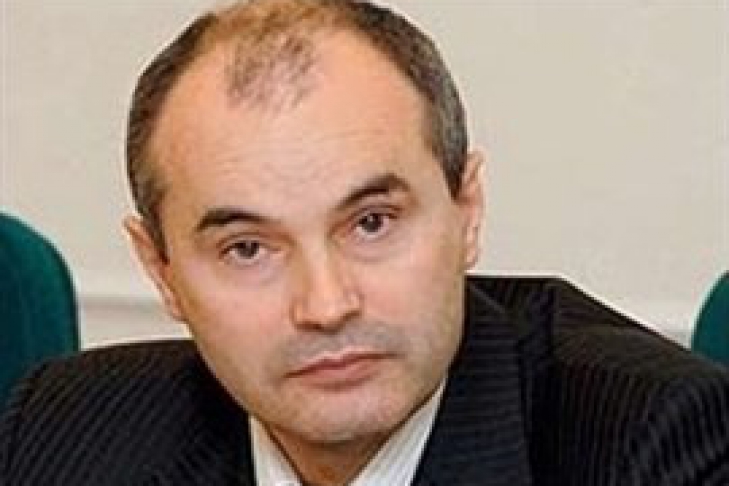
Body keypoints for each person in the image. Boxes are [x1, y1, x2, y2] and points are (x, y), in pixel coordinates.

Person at [1, 1, 727, 484]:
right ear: (159, 271)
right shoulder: (65, 430)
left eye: (371, 223)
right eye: (247, 249)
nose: (325, 305)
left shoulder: (651, 439)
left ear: (466, 210)